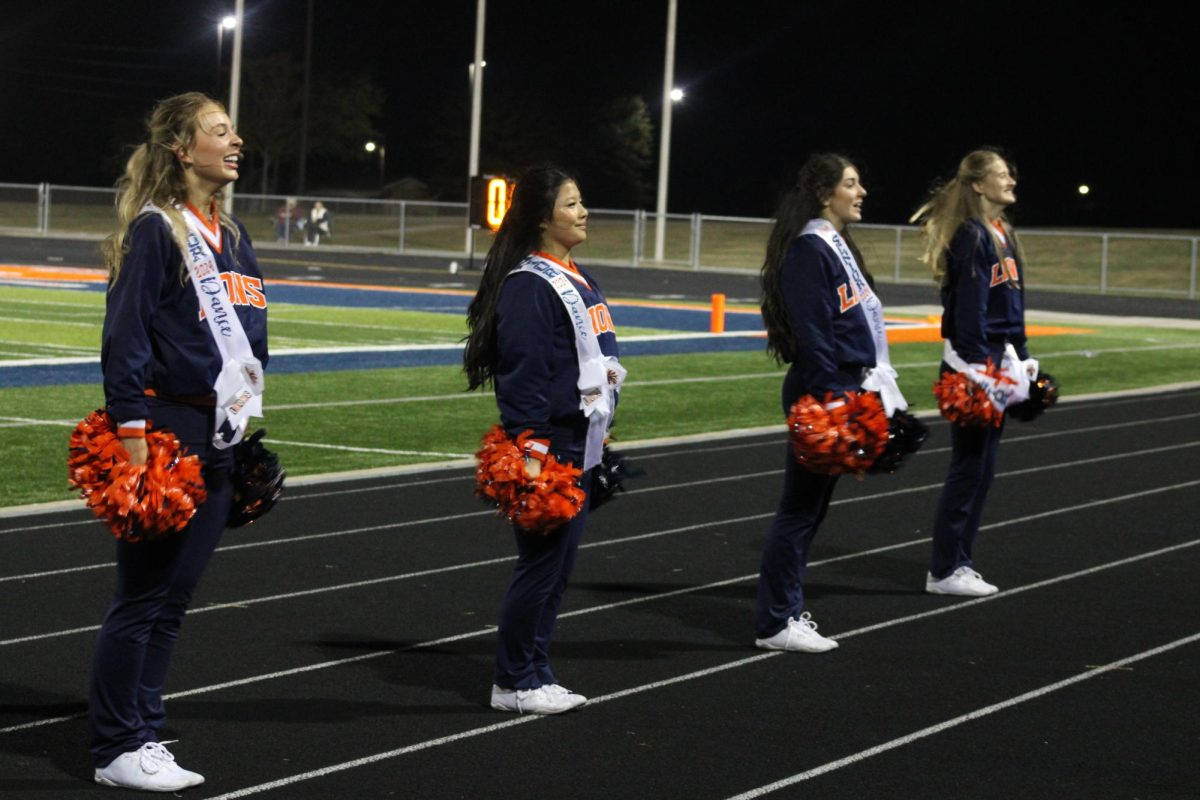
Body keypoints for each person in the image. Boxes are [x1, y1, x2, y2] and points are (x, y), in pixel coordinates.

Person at [91, 92, 268, 791]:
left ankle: (143, 724)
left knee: (175, 600)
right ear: (181, 148)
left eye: (233, 130)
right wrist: (133, 439)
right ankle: (114, 747)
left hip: (218, 432)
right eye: (220, 131)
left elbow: (244, 341)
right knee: (141, 597)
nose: (236, 141)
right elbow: (125, 340)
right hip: (165, 432)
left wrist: (243, 428)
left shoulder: (238, 234)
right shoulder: (155, 231)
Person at [464, 166, 623, 714]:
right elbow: (524, 375)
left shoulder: (575, 274)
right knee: (540, 568)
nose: (583, 212)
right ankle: (512, 681)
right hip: (549, 447)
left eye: (582, 203)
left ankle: (535, 670)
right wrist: (532, 452)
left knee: (557, 571)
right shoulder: (531, 284)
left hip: (579, 442)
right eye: (572, 204)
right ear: (541, 217)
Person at [755, 153, 911, 653]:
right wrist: (835, 401)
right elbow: (814, 334)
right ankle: (776, 621)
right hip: (823, 390)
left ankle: (785, 611)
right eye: (851, 183)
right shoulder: (810, 249)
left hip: (843, 386)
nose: (861, 191)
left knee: (812, 512)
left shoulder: (837, 246)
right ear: (826, 195)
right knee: (799, 510)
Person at [912, 148, 1029, 597]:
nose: (1011, 180)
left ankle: (959, 561)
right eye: (1001, 174)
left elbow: (1010, 306)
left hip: (996, 362)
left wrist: (1020, 356)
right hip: (972, 363)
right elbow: (967, 313)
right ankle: (945, 569)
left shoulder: (1003, 233)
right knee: (969, 467)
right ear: (978, 185)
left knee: (984, 469)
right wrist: (979, 369)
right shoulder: (972, 237)